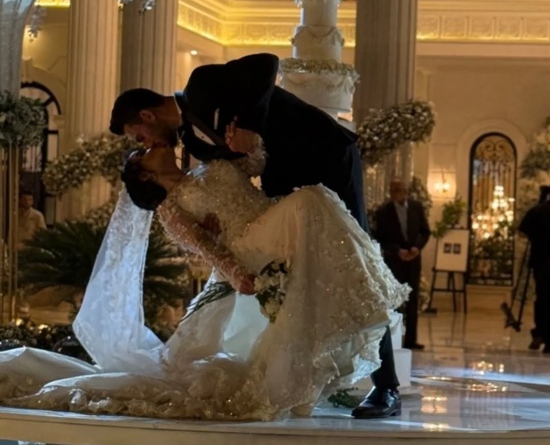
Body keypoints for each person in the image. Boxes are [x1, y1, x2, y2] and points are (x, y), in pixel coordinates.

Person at [0, 147, 408, 421]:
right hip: (249, 241)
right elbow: (204, 247)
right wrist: (236, 272)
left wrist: (247, 146)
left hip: (268, 219)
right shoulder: (171, 206)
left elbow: (256, 163)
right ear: (145, 172)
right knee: (309, 201)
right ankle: (364, 292)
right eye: (145, 152)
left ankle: (359, 296)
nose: (156, 148)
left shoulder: (206, 164)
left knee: (313, 201)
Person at [109, 52, 402, 419]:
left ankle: (386, 386)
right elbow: (241, 171)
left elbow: (265, 63)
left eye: (140, 136)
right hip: (281, 195)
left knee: (355, 256)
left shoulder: (202, 83)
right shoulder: (194, 145)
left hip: (324, 153)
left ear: (148, 116)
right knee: (308, 283)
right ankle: (311, 378)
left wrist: (249, 125)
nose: (147, 143)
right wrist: (216, 228)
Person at [375, 179, 431, 351]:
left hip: (413, 260)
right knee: (395, 300)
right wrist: (397, 251)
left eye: (399, 189)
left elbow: (425, 231)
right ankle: (394, 338)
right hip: (395, 261)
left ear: (406, 191)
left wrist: (417, 247)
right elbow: (380, 237)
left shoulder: (416, 207)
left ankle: (411, 340)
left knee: (413, 299)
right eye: (394, 190)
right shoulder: (384, 211)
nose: (396, 193)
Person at [518, 186, 550, 353]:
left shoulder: (537, 211)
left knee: (542, 298)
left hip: (541, 261)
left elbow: (522, 233)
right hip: (543, 261)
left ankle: (540, 332)